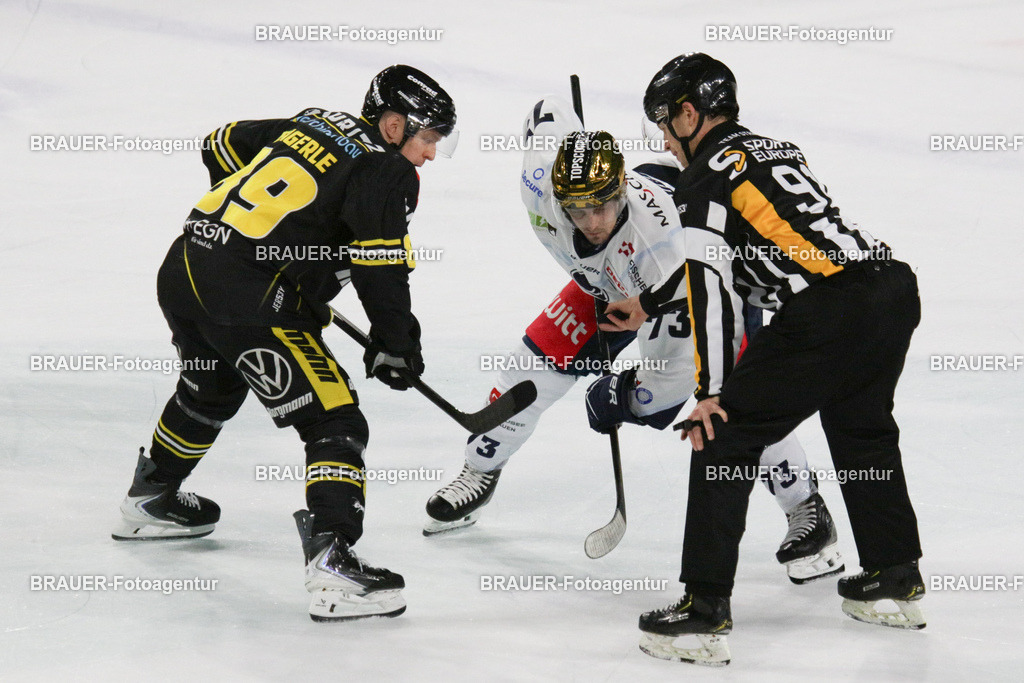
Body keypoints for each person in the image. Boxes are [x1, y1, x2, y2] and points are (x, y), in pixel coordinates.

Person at [423, 96, 844, 584]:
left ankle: (806, 508)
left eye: (600, 206)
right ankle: (480, 467)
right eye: (576, 210)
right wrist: (574, 138)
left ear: (621, 191)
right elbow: (547, 112)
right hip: (606, 284)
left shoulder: (661, 247)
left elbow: (666, 391)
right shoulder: (540, 181)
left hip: (702, 284)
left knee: (734, 399)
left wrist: (620, 396)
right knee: (529, 370)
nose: (590, 222)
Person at [603, 53, 925, 665]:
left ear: (689, 114)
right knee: (862, 429)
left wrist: (712, 394)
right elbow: (753, 254)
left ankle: (703, 613)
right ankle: (894, 578)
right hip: (889, 290)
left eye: (666, 126)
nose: (665, 142)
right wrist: (648, 303)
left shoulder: (703, 177)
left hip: (828, 308)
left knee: (721, 434)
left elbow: (714, 286)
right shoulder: (774, 150)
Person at [111, 65, 459, 622]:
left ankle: (151, 497)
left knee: (211, 389)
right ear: (394, 126)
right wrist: (396, 342)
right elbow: (379, 263)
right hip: (245, 299)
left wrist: (260, 244)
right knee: (335, 419)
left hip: (185, 265)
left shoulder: (314, 121)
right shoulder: (386, 169)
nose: (431, 154)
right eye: (429, 138)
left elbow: (222, 143)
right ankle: (333, 565)